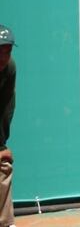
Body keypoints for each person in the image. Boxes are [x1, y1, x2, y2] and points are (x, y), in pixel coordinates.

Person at [0, 24, 16, 227]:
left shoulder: (9, 68)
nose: (4, 58)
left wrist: (0, 145)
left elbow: (5, 108)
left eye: (8, 52)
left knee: (3, 164)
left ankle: (5, 223)